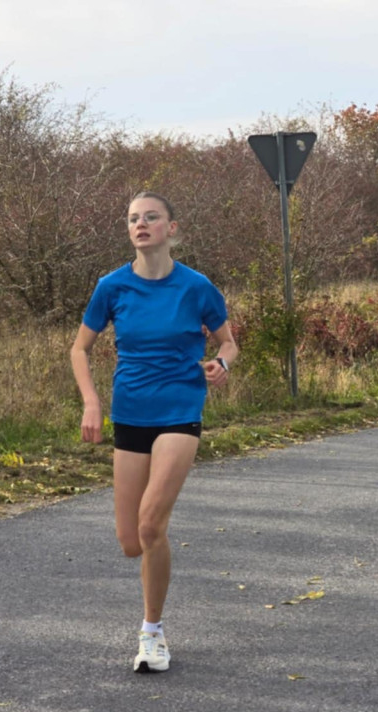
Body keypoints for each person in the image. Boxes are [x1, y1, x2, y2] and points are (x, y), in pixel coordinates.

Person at [70, 192, 238, 673]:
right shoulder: (112, 287)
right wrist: (92, 401)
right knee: (130, 540)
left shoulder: (196, 287)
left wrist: (221, 363)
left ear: (171, 227)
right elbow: (79, 349)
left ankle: (152, 634)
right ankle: (155, 563)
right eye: (132, 219)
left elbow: (227, 340)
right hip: (131, 414)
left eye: (151, 217)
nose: (140, 224)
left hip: (180, 409)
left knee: (150, 525)